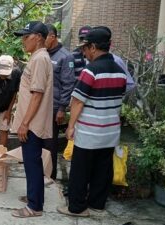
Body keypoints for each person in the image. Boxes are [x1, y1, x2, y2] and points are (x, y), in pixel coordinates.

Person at [57, 27, 127, 217]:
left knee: (80, 172)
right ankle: (97, 204)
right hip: (110, 132)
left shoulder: (91, 70)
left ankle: (77, 208)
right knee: (103, 170)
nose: (84, 52)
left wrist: (71, 126)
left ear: (94, 47)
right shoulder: (121, 72)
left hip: (89, 132)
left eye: (85, 48)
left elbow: (78, 101)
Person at [11, 21, 53, 218]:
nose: (23, 41)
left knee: (32, 163)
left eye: (26, 36)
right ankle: (34, 197)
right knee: (31, 162)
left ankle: (34, 207)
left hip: (32, 124)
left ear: (38, 37)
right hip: (31, 122)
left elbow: (37, 94)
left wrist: (25, 123)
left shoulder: (39, 59)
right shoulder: (38, 58)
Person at [44, 24, 75, 180]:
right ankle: (42, 174)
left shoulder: (65, 56)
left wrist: (62, 108)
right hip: (41, 107)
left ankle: (51, 177)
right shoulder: (43, 54)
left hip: (55, 107)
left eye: (45, 37)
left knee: (51, 144)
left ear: (53, 37)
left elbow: (68, 84)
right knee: (41, 143)